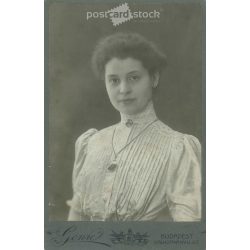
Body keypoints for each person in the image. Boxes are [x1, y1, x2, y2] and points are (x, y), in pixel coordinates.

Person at [67, 32, 201, 221]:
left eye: (133, 78)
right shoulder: (91, 143)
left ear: (154, 78)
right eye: (114, 80)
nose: (123, 89)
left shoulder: (177, 147)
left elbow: (187, 231)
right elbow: (76, 217)